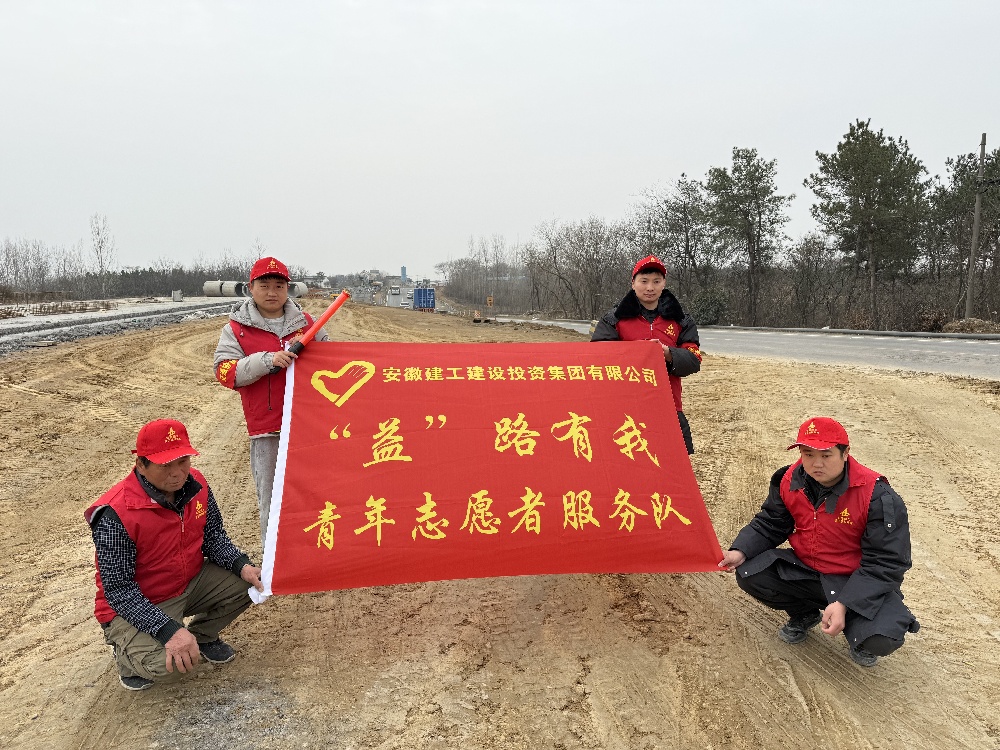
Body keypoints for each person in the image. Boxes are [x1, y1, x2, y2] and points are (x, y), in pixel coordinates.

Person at [719, 417, 919, 667]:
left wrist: (845, 603)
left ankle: (860, 636)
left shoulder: (876, 496)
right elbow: (771, 523)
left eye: (826, 455)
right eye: (808, 454)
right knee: (750, 572)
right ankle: (804, 614)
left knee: (883, 638)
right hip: (808, 570)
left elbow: (887, 562)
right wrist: (740, 550)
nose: (816, 463)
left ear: (845, 453)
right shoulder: (789, 480)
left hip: (854, 578)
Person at [85, 419, 263, 691]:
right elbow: (119, 591)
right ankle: (126, 654)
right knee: (170, 667)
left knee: (249, 583)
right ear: (141, 464)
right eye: (165, 465)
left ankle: (202, 635)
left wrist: (243, 567)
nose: (177, 473)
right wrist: (168, 630)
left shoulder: (197, 485)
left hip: (186, 584)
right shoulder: (115, 514)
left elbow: (214, 538)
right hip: (140, 602)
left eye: (183, 461)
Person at [213, 256, 328, 544]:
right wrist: (266, 360)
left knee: (315, 495)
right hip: (267, 430)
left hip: (308, 427)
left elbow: (332, 359)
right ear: (251, 287)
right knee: (273, 500)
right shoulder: (236, 329)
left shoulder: (309, 324)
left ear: (288, 289)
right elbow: (225, 372)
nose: (272, 292)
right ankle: (275, 560)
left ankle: (314, 553)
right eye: (264, 285)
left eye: (279, 285)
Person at [591, 254, 702, 454]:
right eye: (644, 281)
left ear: (664, 284)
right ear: (633, 283)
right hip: (623, 408)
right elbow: (598, 358)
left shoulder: (681, 320)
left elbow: (693, 360)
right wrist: (636, 352)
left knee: (672, 463)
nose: (650, 287)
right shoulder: (613, 319)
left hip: (668, 405)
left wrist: (668, 354)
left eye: (656, 282)